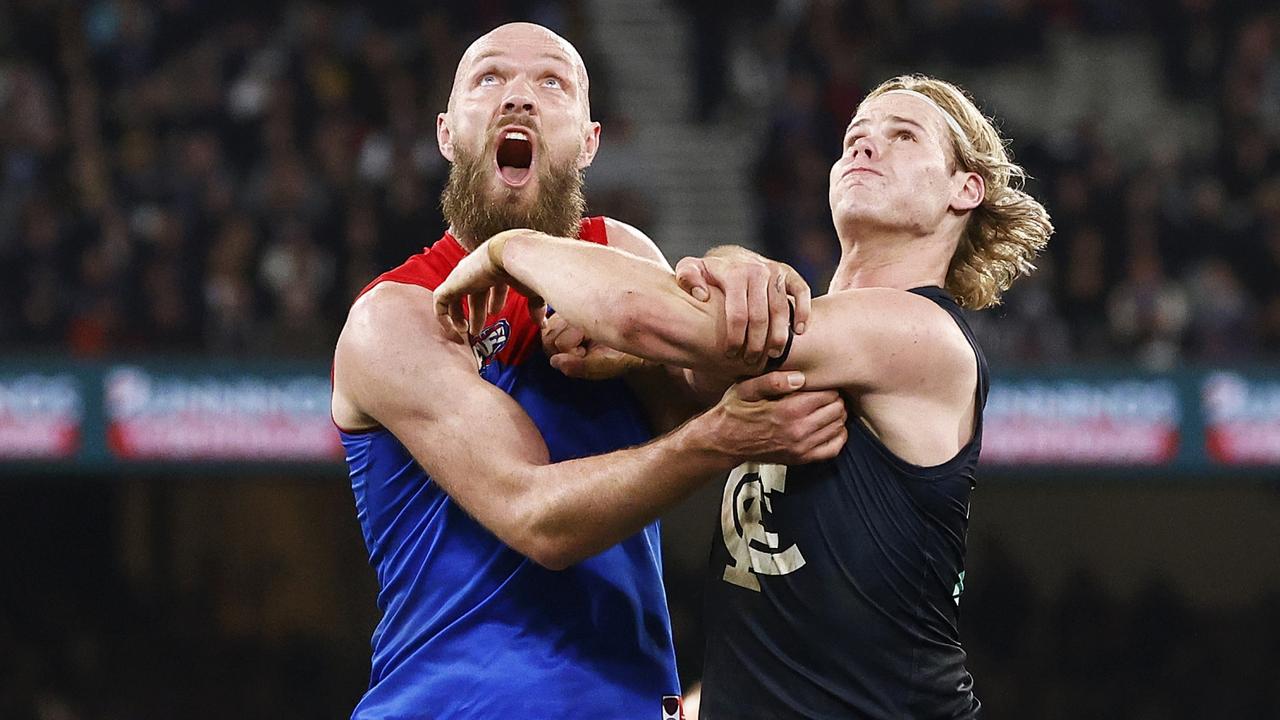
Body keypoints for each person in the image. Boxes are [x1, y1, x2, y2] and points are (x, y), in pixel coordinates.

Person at [434, 74, 1054, 718]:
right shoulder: (807, 343)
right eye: (856, 138)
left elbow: (643, 313)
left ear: (966, 189)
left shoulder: (923, 332)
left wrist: (514, 245)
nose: (867, 147)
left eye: (902, 136)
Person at [329, 22, 846, 719]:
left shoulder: (620, 256)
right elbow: (538, 518)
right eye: (490, 78)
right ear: (448, 134)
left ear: (591, 140)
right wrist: (718, 439)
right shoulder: (397, 314)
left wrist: (745, 273)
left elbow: (700, 385)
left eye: (551, 82)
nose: (518, 97)